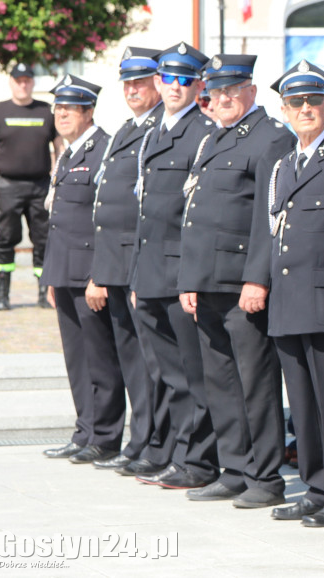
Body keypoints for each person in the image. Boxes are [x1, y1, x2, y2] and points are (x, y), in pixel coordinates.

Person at [247, 60, 324, 525]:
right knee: (302, 404)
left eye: (313, 101)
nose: (305, 109)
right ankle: (317, 488)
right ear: (283, 109)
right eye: (296, 103)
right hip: (287, 302)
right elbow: (273, 232)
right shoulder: (281, 165)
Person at [177, 54, 295, 508]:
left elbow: (271, 218)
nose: (222, 99)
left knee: (256, 381)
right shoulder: (215, 138)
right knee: (221, 380)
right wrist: (190, 278)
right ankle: (234, 467)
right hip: (207, 281)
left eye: (231, 90)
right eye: (215, 92)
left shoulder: (270, 139)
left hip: (242, 284)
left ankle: (265, 476)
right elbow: (196, 215)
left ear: (250, 90)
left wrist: (257, 280)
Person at [131, 42, 220, 488]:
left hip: (180, 273)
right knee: (170, 374)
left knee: (194, 374)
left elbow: (196, 214)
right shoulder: (154, 133)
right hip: (149, 271)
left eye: (184, 79)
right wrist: (134, 273)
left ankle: (200, 462)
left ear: (199, 84)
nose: (174, 87)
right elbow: (145, 208)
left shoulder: (203, 131)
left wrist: (192, 275)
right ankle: (182, 457)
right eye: (167, 78)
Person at [89, 47, 172, 475]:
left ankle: (157, 442)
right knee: (131, 359)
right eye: (128, 83)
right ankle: (142, 439)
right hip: (117, 262)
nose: (133, 89)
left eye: (141, 81)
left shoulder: (160, 128)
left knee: (152, 361)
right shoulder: (125, 130)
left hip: (141, 262)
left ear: (158, 83)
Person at [40, 75, 124, 464]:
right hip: (64, 270)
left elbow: (104, 219)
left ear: (88, 112)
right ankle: (84, 430)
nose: (61, 116)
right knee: (76, 358)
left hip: (89, 271)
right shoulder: (68, 153)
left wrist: (99, 276)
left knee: (99, 357)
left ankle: (105, 436)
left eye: (69, 110)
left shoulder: (104, 150)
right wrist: (50, 276)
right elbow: (59, 219)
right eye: (58, 109)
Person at [0, 62, 62, 310]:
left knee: (43, 239)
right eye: (18, 80)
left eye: (27, 80)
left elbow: (59, 148)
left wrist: (59, 180)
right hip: (7, 185)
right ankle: (2, 295)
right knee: (6, 239)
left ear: (32, 82)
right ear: (11, 82)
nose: (23, 84)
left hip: (40, 185)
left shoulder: (45, 111)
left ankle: (44, 294)